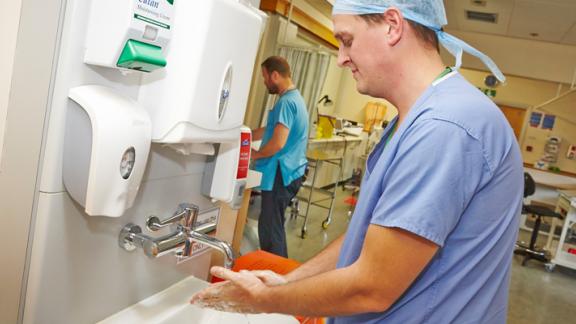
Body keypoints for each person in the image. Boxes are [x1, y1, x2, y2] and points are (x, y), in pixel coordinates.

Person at [191, 1, 523, 323]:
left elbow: (372, 287)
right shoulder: (417, 119)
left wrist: (264, 301)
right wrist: (289, 282)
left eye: (347, 41)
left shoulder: (446, 127)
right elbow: (370, 237)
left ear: (392, 25)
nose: (341, 59)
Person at [250, 56, 309, 258]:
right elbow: (272, 129)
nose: (264, 81)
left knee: (270, 229)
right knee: (273, 224)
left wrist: (255, 154)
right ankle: (276, 273)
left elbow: (277, 143)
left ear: (275, 75)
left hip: (281, 175)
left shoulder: (286, 102)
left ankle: (275, 276)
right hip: (290, 172)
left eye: (265, 77)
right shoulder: (296, 99)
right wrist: (246, 135)